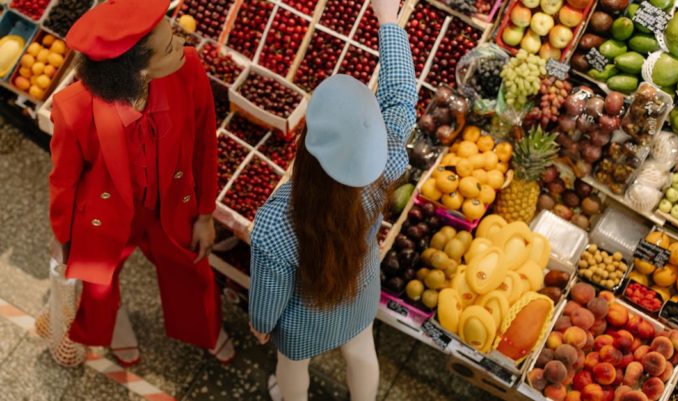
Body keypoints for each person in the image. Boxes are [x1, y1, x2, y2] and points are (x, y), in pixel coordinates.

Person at [48, 0, 234, 366]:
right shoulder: (72, 109)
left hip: (170, 200)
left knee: (192, 268)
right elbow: (63, 182)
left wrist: (205, 213)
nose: (182, 44)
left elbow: (204, 142)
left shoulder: (188, 67)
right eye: (169, 46)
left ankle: (205, 329)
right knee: (100, 282)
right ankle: (112, 325)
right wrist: (62, 238)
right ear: (137, 70)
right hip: (107, 212)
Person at [247, 0, 416, 399]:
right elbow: (402, 97)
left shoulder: (277, 222)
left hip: (304, 321)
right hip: (360, 293)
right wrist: (388, 21)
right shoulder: (389, 162)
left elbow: (270, 291)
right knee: (362, 353)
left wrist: (260, 324)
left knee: (291, 367)